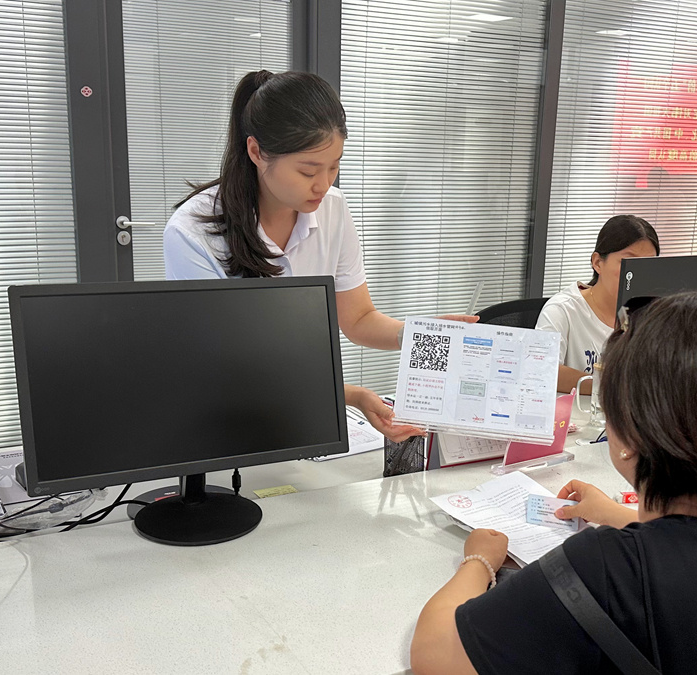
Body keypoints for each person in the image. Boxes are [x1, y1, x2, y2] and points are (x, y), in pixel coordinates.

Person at [411, 292, 697, 675]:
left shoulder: (606, 568)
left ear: (628, 438)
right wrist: (618, 515)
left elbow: (435, 654)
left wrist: (479, 562)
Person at [163, 70, 474, 442]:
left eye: (334, 166)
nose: (324, 184)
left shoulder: (333, 208)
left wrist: (421, 336)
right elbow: (229, 368)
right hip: (228, 420)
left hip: (304, 414)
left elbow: (357, 318)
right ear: (256, 152)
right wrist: (351, 395)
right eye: (308, 170)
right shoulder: (193, 233)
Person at [535, 215, 659, 395]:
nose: (640, 274)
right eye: (629, 262)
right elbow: (542, 371)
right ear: (597, 263)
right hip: (576, 412)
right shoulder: (563, 309)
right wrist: (612, 387)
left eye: (649, 264)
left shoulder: (653, 314)